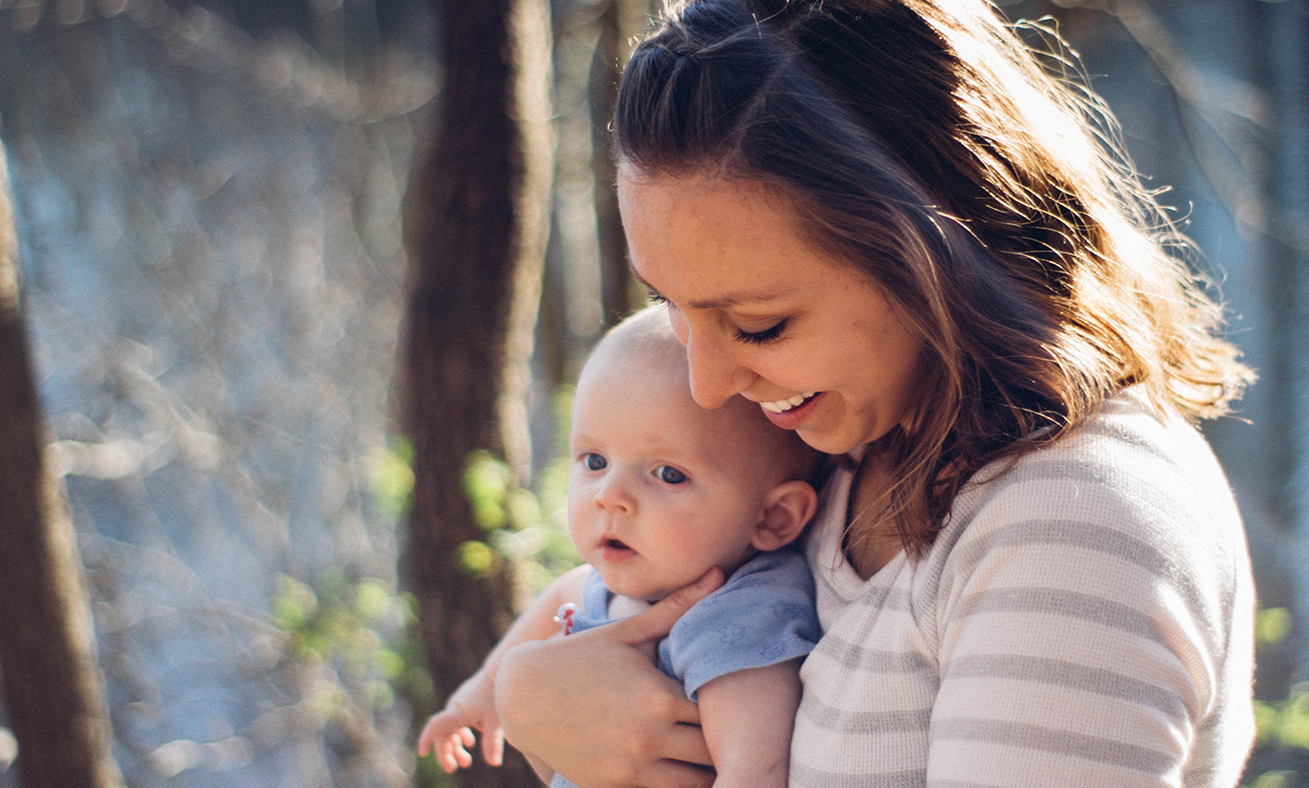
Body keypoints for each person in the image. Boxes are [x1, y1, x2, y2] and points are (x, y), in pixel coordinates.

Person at [490, 0, 1259, 787]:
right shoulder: (852, 443)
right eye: (673, 308)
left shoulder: (1074, 524)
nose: (707, 386)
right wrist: (528, 689)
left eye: (759, 325)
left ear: (939, 252)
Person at [417, 306, 825, 788]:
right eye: (594, 460)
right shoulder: (606, 585)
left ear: (773, 517)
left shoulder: (739, 617)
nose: (609, 496)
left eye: (668, 474)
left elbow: (756, 771)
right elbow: (555, 601)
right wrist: (475, 699)